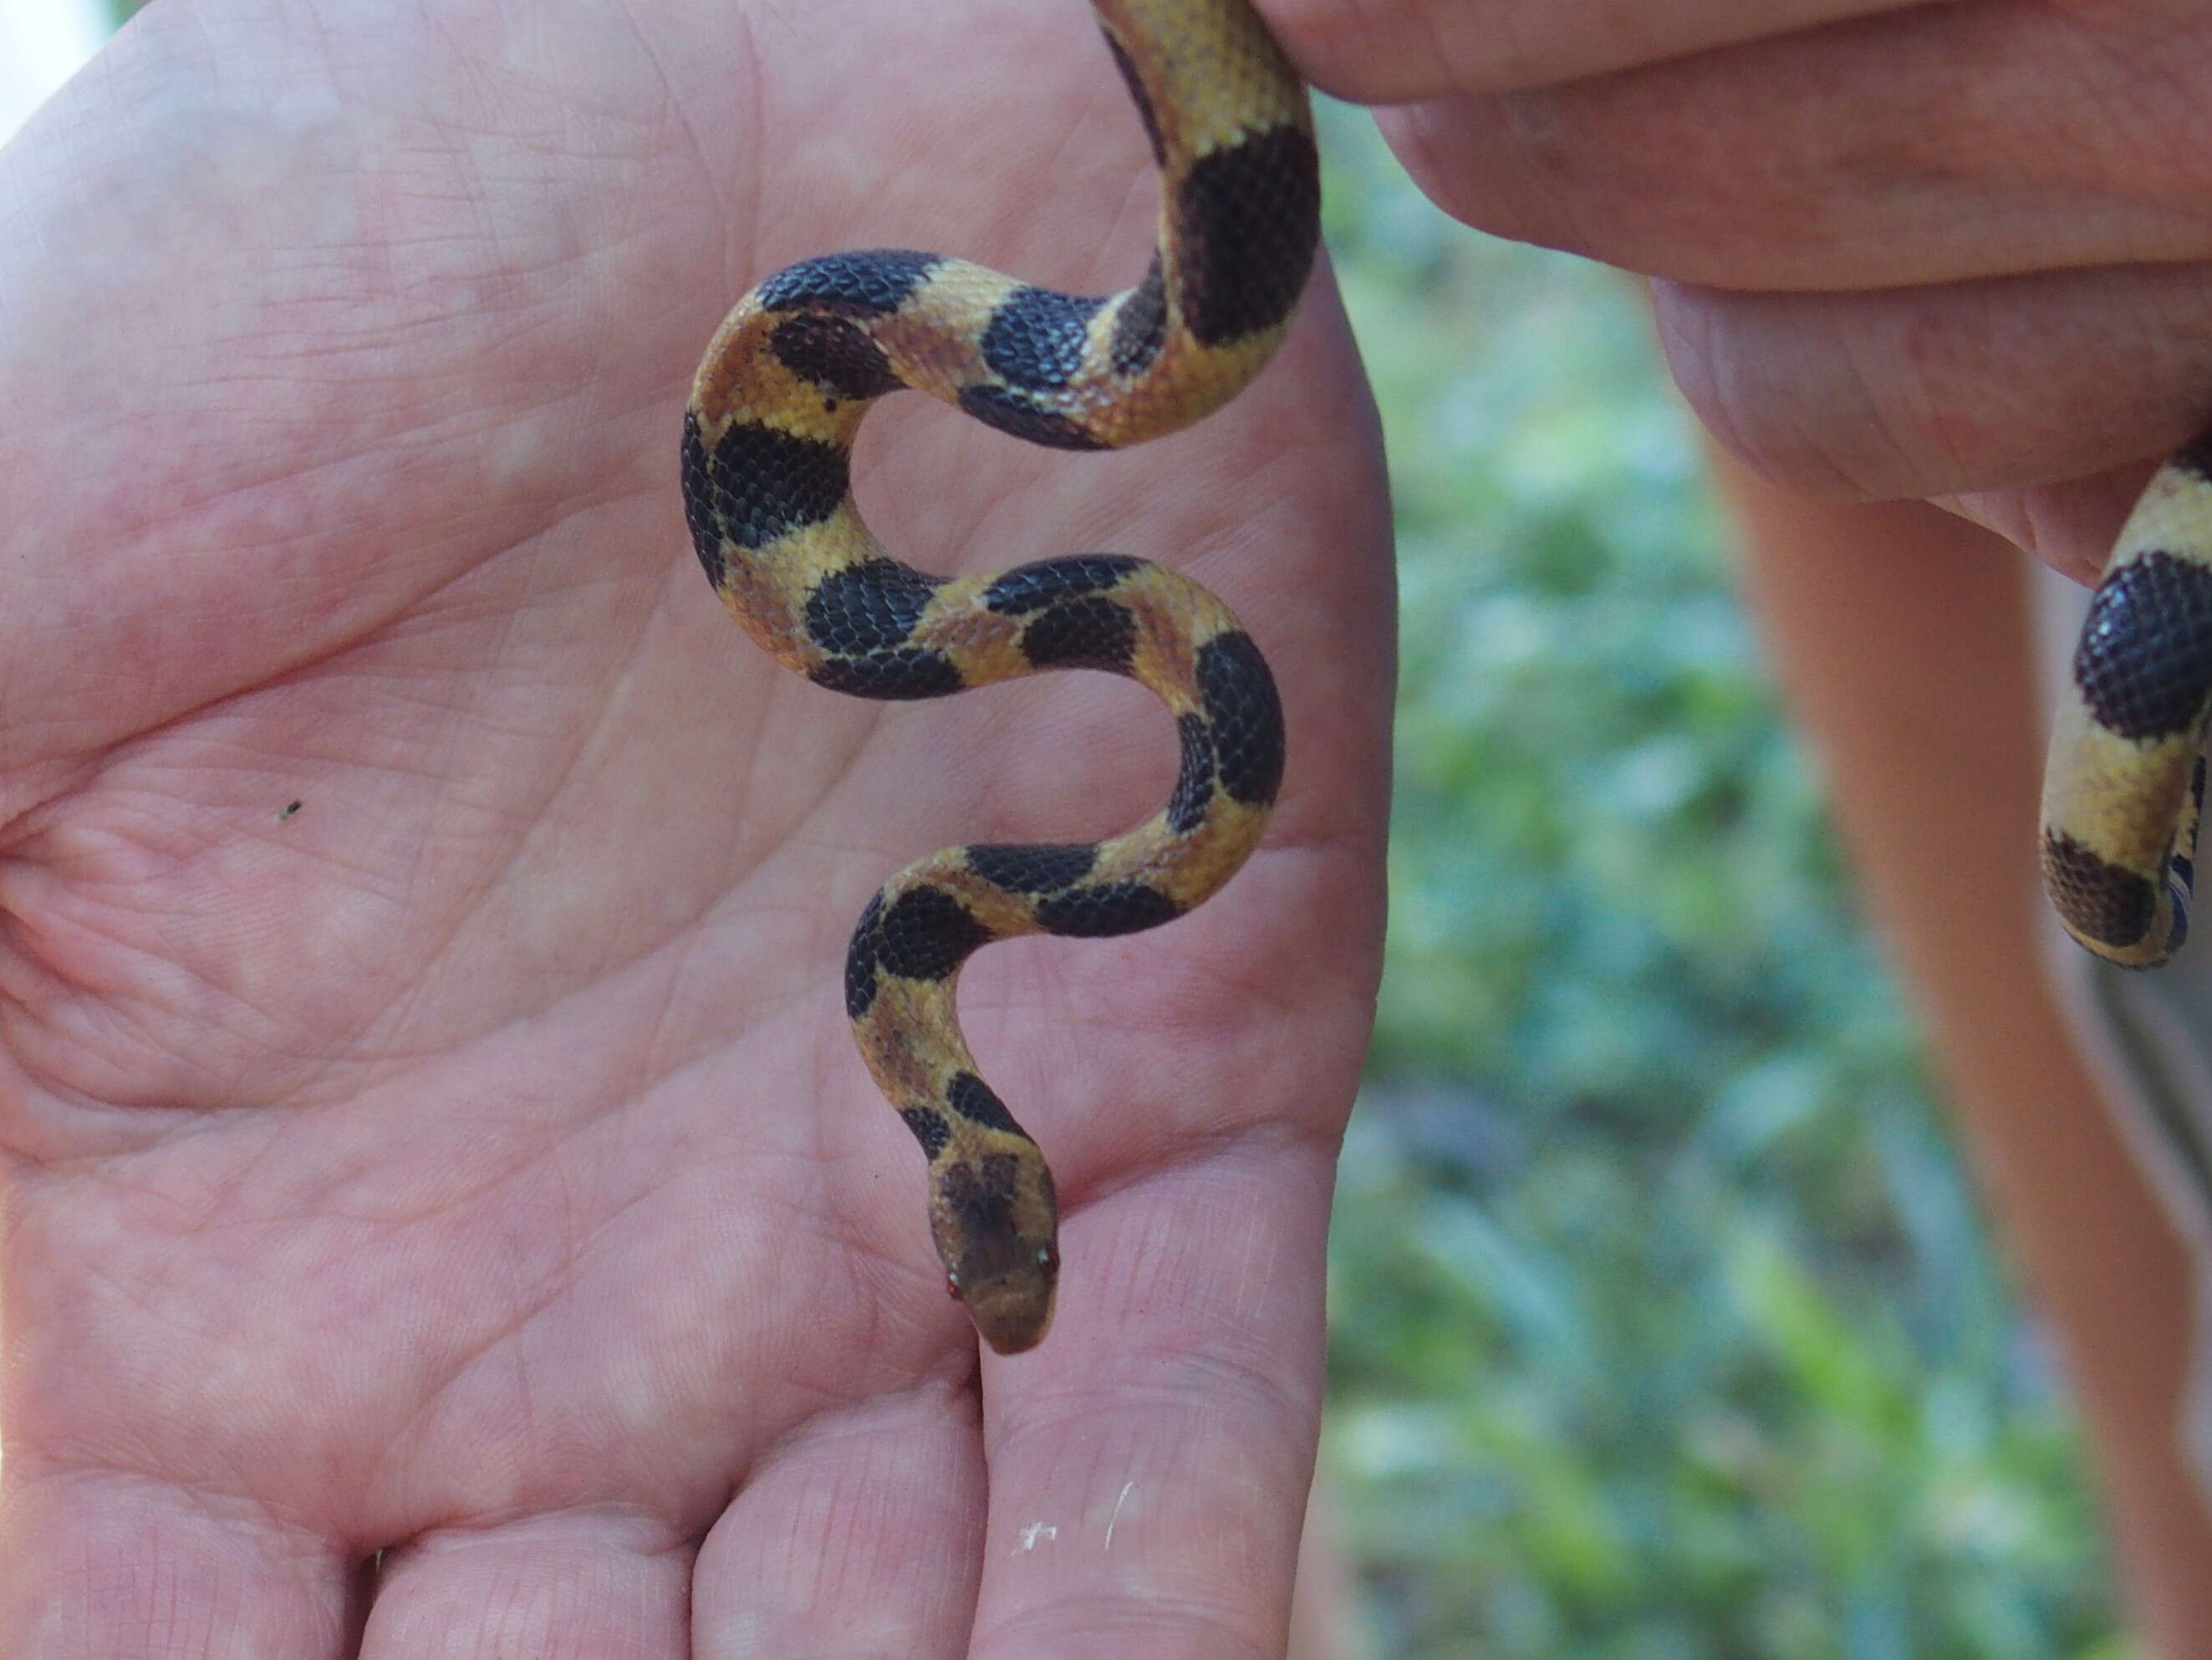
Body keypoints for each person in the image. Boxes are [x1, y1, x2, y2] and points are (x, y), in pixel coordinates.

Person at [1, 0, 2205, 1653]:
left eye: (1001, 1248)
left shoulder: (1068, 785)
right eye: (1018, 1245)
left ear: (970, 1126)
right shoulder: (1012, 837)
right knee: (1882, 205)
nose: (1013, 1278)